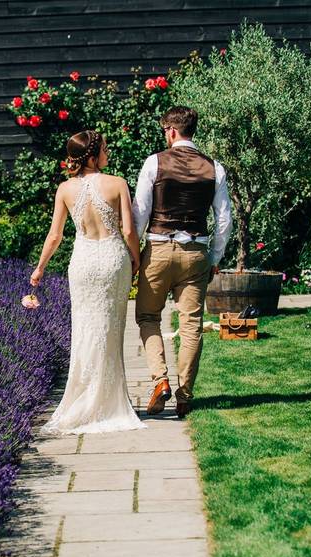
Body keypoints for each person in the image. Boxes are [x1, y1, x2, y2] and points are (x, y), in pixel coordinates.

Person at [30, 130, 147, 435]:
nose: (108, 153)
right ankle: (108, 403)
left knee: (83, 329)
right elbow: (129, 230)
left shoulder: (65, 189)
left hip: (82, 262)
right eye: (105, 150)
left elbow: (55, 236)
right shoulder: (117, 183)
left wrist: (40, 268)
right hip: (111, 260)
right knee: (111, 329)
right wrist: (136, 258)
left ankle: (84, 399)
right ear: (93, 156)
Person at [132, 106, 232, 419]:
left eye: (165, 131)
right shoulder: (214, 167)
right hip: (196, 253)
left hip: (160, 250)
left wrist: (135, 254)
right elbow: (225, 219)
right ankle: (185, 395)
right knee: (190, 326)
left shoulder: (154, 162)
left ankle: (160, 379)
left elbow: (140, 214)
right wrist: (214, 256)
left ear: (172, 131)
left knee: (148, 315)